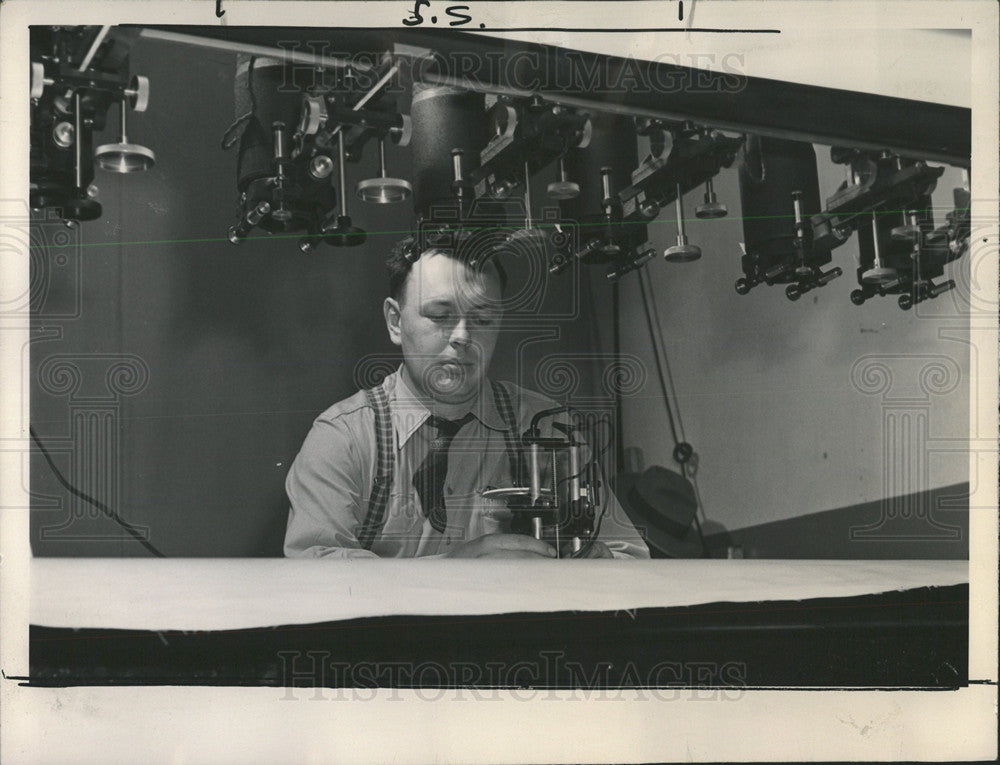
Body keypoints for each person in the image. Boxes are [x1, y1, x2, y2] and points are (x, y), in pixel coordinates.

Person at [283, 237, 649, 559]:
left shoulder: (549, 428)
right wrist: (454, 572)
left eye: (483, 319)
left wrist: (600, 566)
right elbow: (316, 574)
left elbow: (630, 555)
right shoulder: (343, 438)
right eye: (441, 316)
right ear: (395, 321)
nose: (462, 336)